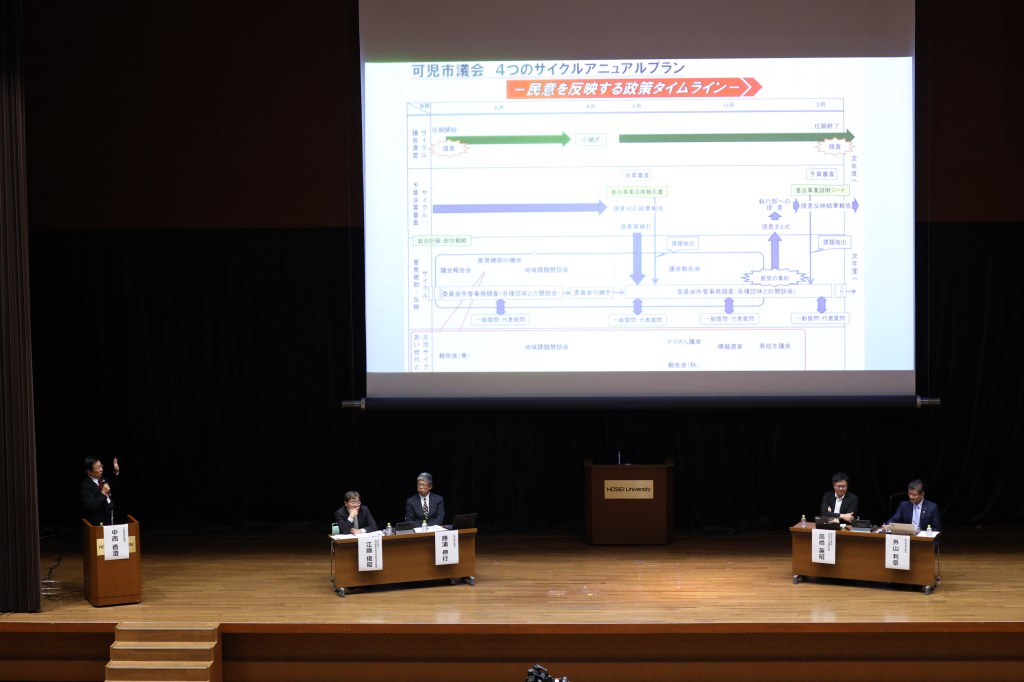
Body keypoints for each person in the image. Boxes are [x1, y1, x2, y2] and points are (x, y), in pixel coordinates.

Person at [81, 456, 119, 526]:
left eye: (101, 466)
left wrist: (116, 471)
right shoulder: (86, 485)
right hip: (98, 523)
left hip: (110, 518)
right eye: (98, 467)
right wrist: (103, 492)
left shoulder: (102, 479)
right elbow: (91, 506)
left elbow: (112, 483)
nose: (101, 469)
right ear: (89, 471)